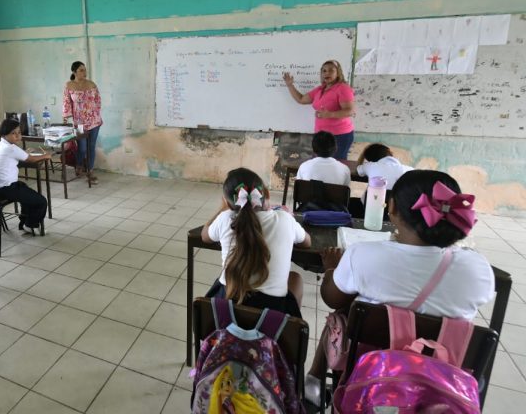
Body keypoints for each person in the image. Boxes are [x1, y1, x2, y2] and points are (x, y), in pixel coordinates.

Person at [304, 169, 495, 405]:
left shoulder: (361, 255)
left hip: (371, 378)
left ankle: (314, 380)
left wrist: (332, 268)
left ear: (391, 208)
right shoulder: (478, 269)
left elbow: (331, 298)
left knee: (343, 310)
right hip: (443, 387)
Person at [201, 167, 312, 317]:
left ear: (228, 203)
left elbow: (205, 236)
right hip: (272, 315)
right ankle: (287, 325)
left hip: (227, 309)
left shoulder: (225, 218)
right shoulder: (284, 219)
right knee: (295, 279)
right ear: (266, 194)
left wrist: (222, 210)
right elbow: (307, 242)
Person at [283, 60, 355, 160]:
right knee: (320, 163)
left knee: (336, 163)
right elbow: (301, 99)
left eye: (331, 70)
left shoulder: (343, 88)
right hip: (320, 136)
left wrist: (330, 114)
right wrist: (290, 85)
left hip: (339, 135)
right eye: (324, 71)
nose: (327, 73)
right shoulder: (320, 89)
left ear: (338, 73)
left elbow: (350, 111)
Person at [0, 118, 51, 234]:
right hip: (7, 188)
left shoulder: (2, 144)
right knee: (41, 202)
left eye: (19, 132)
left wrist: (24, 153)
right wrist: (46, 156)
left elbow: (19, 155)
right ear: (4, 135)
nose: (18, 135)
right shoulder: (11, 148)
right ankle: (30, 224)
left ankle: (24, 223)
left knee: (25, 190)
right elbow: (32, 159)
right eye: (13, 133)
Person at [62, 60, 102, 183]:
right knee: (82, 148)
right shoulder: (69, 85)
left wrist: (94, 113)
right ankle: (79, 165)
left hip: (94, 121)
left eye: (85, 70)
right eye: (81, 70)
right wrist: (66, 117)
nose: (84, 72)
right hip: (79, 123)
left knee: (91, 147)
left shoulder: (91, 84)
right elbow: (66, 102)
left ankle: (90, 171)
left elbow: (98, 101)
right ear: (74, 72)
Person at [349, 143, 414, 217]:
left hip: (369, 212)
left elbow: (358, 170)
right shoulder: (409, 170)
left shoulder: (370, 166)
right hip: (397, 214)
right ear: (389, 152)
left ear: (370, 160)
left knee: (353, 202)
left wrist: (363, 154)